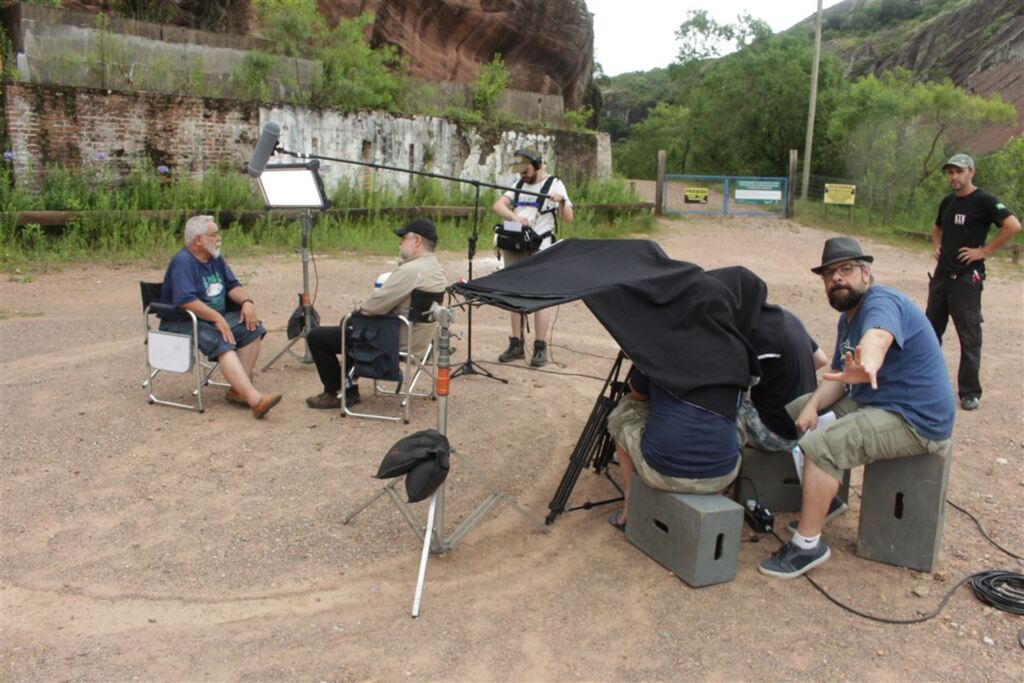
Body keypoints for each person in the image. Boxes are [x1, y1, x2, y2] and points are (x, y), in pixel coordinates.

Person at [759, 237, 955, 579]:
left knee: (823, 446)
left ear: (867, 274)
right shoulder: (847, 319)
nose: (836, 278)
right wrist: (813, 406)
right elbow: (837, 376)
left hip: (915, 419)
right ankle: (828, 498)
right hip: (877, 401)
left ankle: (808, 545)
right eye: (829, 274)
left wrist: (868, 361)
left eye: (846, 269)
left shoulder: (882, 302)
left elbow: (878, 337)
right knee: (798, 409)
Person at [304, 218, 448, 409]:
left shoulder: (410, 271)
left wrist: (356, 309)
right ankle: (349, 386)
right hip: (420, 339)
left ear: (417, 240)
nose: (399, 242)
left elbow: (374, 306)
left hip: (395, 339)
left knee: (318, 336)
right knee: (351, 327)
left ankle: (336, 391)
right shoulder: (436, 268)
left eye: (403, 238)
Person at [158, 215, 282, 418]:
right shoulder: (183, 262)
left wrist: (246, 303)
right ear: (198, 239)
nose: (219, 238)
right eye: (214, 234)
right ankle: (255, 400)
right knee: (221, 339)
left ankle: (238, 390)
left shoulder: (215, 259)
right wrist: (217, 318)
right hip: (183, 321)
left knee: (252, 328)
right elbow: (186, 300)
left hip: (212, 318)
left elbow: (232, 285)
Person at [925, 153, 1021, 411]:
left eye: (959, 171)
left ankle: (969, 392)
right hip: (941, 278)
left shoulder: (985, 201)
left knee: (969, 338)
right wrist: (938, 246)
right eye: (950, 172)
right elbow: (936, 228)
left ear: (971, 173)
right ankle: (925, 384)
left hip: (967, 280)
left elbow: (1013, 226)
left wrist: (984, 251)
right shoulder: (947, 202)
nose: (954, 177)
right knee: (929, 334)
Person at [606, 365, 742, 532]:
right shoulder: (737, 355)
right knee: (737, 420)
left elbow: (637, 394)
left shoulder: (660, 348)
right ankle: (715, 495)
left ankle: (631, 503)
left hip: (660, 473)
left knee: (625, 412)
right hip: (722, 477)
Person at [491, 148, 574, 367]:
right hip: (515, 241)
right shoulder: (518, 184)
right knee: (512, 293)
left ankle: (540, 346)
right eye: (520, 172)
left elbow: (568, 219)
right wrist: (514, 217)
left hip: (540, 246)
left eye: (526, 170)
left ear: (538, 165)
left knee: (539, 296)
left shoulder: (555, 184)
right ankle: (516, 344)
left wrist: (561, 202)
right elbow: (498, 205)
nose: (523, 175)